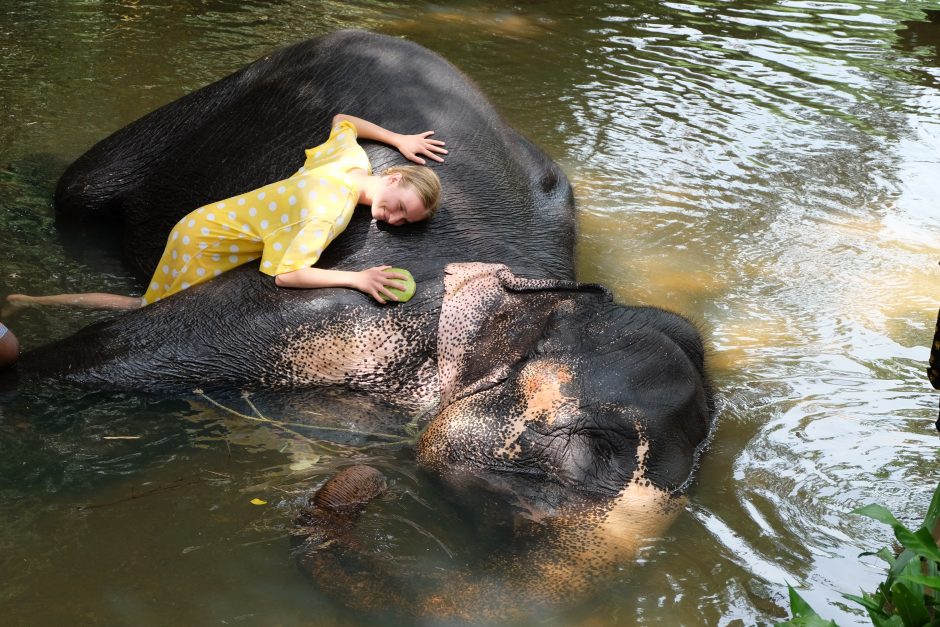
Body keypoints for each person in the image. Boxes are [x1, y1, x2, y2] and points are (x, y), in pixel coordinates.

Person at [5, 114, 446, 311]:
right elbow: (286, 275)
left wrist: (397, 139)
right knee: (142, 309)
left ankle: (31, 299)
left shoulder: (352, 163)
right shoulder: (328, 213)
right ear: (394, 179)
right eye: (403, 207)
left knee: (143, 301)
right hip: (202, 243)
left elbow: (343, 121)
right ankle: (31, 300)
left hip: (205, 220)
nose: (396, 220)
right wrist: (357, 278)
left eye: (407, 222)